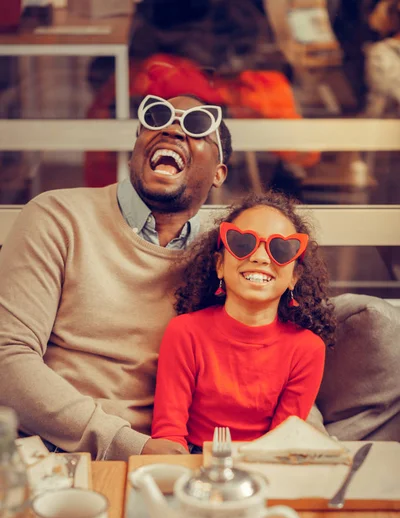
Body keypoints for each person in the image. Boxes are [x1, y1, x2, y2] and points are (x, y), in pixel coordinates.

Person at [0, 94, 231, 459]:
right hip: (49, 450)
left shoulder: (222, 259)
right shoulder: (58, 217)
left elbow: (269, 355)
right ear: (135, 150)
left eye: (197, 125)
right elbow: (7, 359)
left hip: (168, 457)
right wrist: (130, 447)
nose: (172, 128)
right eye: (157, 118)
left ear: (219, 172)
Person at [152, 193, 336, 452]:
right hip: (192, 458)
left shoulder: (308, 349)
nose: (260, 258)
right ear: (219, 265)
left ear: (294, 276)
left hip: (266, 462)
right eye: (242, 243)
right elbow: (169, 434)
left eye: (280, 249)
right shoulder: (184, 332)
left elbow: (281, 443)